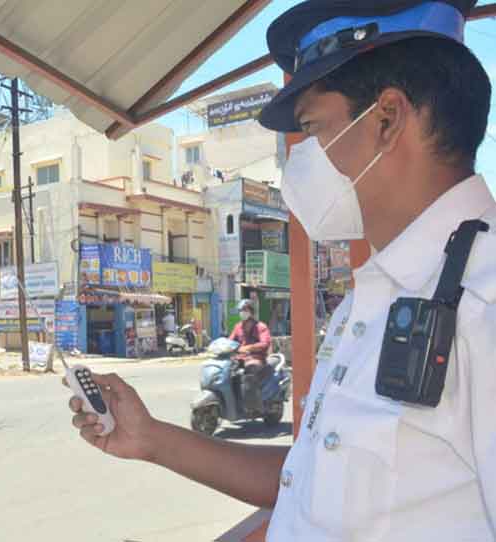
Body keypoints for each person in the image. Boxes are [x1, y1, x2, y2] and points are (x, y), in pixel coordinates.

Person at [66, 2, 496, 540]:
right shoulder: (375, 296)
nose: (299, 159)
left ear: (387, 118)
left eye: (313, 131)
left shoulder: (485, 299)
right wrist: (151, 438)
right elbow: (309, 482)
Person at [230, 299, 273, 411]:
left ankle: (253, 406)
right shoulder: (238, 327)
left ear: (251, 311)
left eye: (245, 310)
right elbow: (230, 341)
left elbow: (265, 343)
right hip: (240, 358)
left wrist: (248, 348)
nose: (242, 312)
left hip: (256, 358)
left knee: (249, 372)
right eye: (240, 310)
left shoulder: (261, 326)